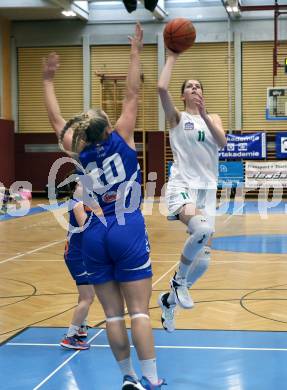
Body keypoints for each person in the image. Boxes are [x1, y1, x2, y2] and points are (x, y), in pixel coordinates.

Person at [49, 24, 165, 390]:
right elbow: (133, 92)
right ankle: (151, 379)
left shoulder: (78, 151)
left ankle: (127, 377)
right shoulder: (122, 137)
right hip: (127, 225)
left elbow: (56, 122)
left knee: (113, 316)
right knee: (140, 312)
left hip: (95, 233)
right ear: (107, 127)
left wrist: (48, 81)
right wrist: (135, 53)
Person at [157, 49, 227, 332]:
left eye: (198, 86)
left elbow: (221, 143)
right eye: (189, 86)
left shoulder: (215, 118)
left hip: (207, 190)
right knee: (201, 230)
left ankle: (168, 301)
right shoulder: (176, 119)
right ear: (183, 95)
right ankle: (178, 281)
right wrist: (172, 56)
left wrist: (205, 113)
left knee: (205, 263)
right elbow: (161, 87)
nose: (194, 88)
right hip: (182, 185)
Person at [43, 56, 96, 350]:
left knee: (88, 294)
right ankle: (71, 334)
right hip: (78, 252)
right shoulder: (81, 189)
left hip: (77, 250)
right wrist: (48, 81)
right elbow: (55, 120)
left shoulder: (97, 168)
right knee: (88, 296)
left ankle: (80, 329)